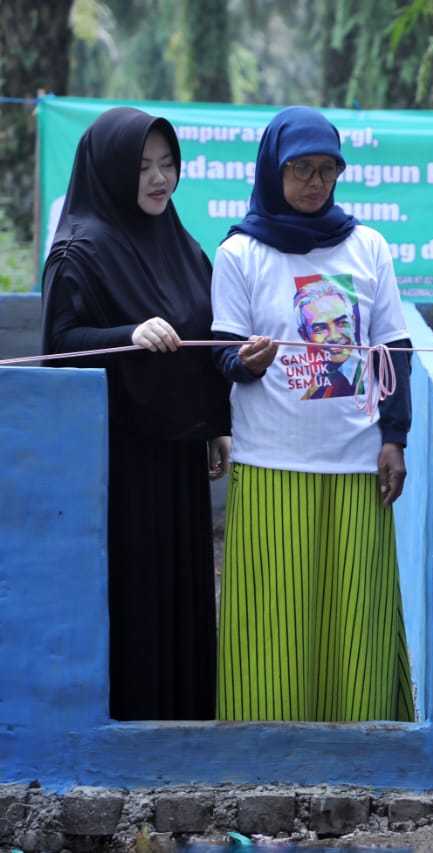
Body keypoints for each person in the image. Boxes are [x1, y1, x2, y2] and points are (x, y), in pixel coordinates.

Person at [210, 106, 414, 721]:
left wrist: (395, 437)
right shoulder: (241, 252)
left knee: (354, 611)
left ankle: (360, 740)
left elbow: (393, 349)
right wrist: (246, 362)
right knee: (272, 616)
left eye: (328, 170)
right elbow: (220, 352)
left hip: (356, 459)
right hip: (271, 457)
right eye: (301, 169)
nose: (315, 183)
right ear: (274, 170)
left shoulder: (367, 246)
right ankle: (261, 746)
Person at [41, 107, 230, 721]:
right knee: (138, 593)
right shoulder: (80, 251)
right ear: (111, 172)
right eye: (143, 166)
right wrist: (129, 333)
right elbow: (59, 346)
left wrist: (216, 422)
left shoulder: (181, 244)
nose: (159, 179)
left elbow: (208, 335)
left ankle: (185, 725)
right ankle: (133, 727)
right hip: (121, 463)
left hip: (179, 454)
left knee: (182, 590)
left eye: (168, 164)